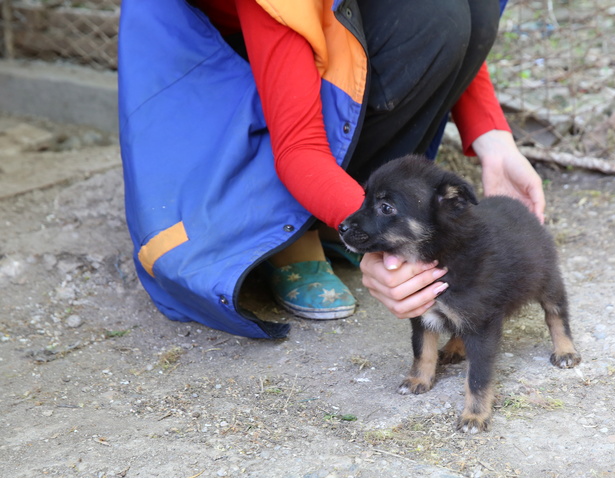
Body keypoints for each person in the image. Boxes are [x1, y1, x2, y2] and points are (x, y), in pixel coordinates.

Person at [117, 0, 545, 338]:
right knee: (428, 16)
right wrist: (371, 226)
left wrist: (495, 141)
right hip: (236, 70)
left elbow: (460, 30)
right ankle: (287, 229)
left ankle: (334, 212)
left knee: (445, 12)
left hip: (321, 29)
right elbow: (298, 146)